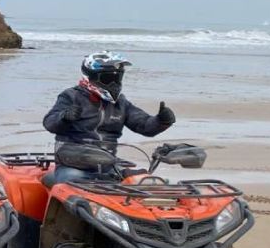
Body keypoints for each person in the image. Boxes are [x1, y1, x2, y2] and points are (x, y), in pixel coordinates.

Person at [42, 51, 175, 183]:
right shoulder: (71, 96)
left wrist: (161, 120)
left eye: (117, 78)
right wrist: (64, 117)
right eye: (108, 79)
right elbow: (49, 122)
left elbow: (144, 124)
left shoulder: (120, 103)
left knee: (150, 182)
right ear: (91, 77)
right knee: (71, 181)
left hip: (108, 166)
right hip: (73, 165)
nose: (114, 84)